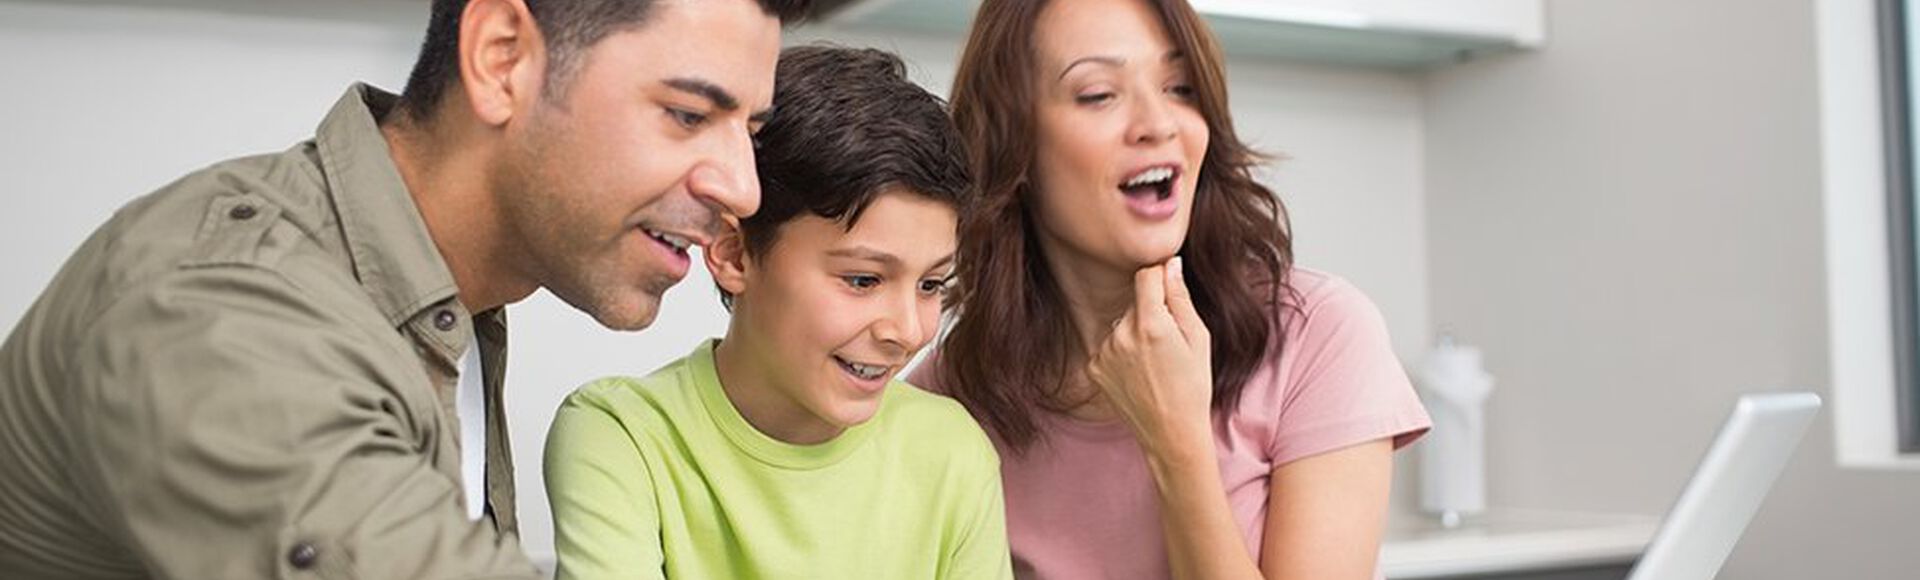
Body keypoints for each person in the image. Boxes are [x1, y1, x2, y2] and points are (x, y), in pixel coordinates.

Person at [0, 0, 806, 577]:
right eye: (688, 115)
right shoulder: (230, 315)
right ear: (501, 58)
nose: (743, 188)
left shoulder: (456, 287)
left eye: (751, 133)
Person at [910, 0, 1433, 578]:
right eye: (1098, 95)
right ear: (1015, 144)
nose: (1158, 124)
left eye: (1180, 87)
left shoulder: (1320, 336)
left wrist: (1176, 444)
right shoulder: (949, 397)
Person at [544, 44, 1010, 580]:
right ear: (733, 252)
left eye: (932, 284)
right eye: (863, 280)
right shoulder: (624, 436)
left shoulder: (952, 454)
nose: (907, 330)